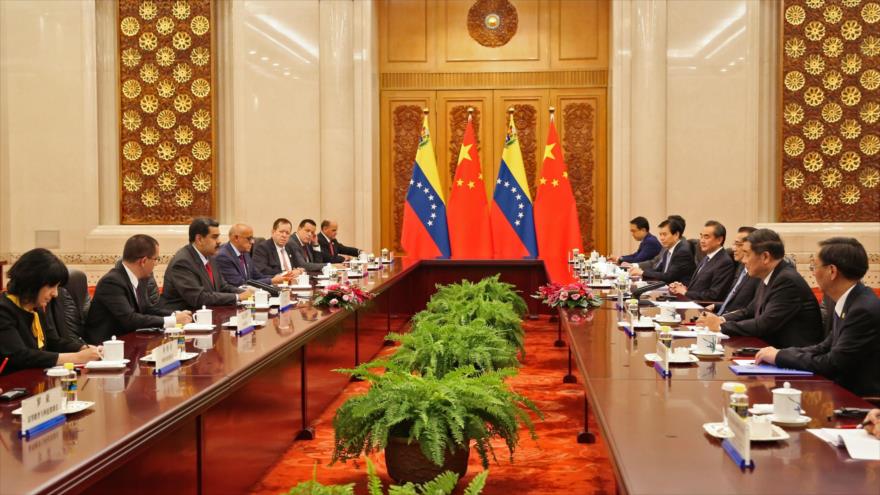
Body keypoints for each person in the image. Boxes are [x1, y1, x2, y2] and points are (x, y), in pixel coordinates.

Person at [754, 238, 880, 397]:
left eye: (814, 266)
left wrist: (780, 357)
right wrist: (779, 353)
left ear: (832, 271)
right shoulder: (850, 299)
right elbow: (824, 346)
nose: (813, 272)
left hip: (859, 400)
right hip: (838, 390)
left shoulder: (862, 309)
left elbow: (832, 363)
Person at [698, 229, 822, 348]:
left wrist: (721, 326)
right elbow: (749, 311)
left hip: (793, 357)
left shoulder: (786, 280)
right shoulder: (770, 275)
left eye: (747, 254)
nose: (743, 260)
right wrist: (720, 319)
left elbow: (764, 324)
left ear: (765, 257)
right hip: (770, 349)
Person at [0, 249, 101, 373]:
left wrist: (82, 348)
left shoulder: (36, 309)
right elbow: (19, 356)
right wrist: (76, 358)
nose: (55, 294)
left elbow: (52, 342)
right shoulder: (3, 310)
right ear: (33, 282)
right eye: (51, 286)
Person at [86, 235, 193, 344]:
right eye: (156, 259)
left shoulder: (141, 278)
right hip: (107, 346)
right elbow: (130, 319)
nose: (156, 264)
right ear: (143, 261)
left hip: (131, 340)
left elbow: (147, 309)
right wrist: (173, 321)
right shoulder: (111, 282)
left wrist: (175, 314)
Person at [161, 218, 253, 311]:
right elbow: (199, 298)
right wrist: (237, 297)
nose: (219, 241)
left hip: (208, 314)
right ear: (199, 239)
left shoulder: (210, 256)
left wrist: (247, 293)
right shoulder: (182, 262)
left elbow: (223, 287)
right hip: (185, 318)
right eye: (214, 237)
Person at [668, 220, 734, 302]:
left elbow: (714, 295)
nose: (702, 241)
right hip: (691, 301)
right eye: (701, 236)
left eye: (706, 237)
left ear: (719, 240)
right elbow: (698, 286)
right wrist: (681, 287)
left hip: (703, 307)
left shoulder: (724, 262)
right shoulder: (707, 257)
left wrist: (686, 292)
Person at [216, 223, 300, 286]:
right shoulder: (224, 256)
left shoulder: (244, 252)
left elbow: (257, 276)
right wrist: (272, 281)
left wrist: (280, 277)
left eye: (252, 238)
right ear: (236, 238)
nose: (252, 242)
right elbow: (240, 283)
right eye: (249, 238)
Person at [710, 226, 760, 315]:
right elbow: (732, 300)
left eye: (738, 244)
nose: (734, 248)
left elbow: (749, 310)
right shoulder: (741, 267)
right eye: (734, 244)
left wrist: (722, 320)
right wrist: (715, 306)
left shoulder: (757, 274)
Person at [629, 217, 695, 284]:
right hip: (666, 286)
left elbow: (669, 276)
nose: (661, 238)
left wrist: (642, 272)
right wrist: (639, 272)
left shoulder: (682, 251)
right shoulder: (668, 250)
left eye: (664, 234)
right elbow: (658, 270)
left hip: (678, 291)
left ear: (676, 235)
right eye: (660, 235)